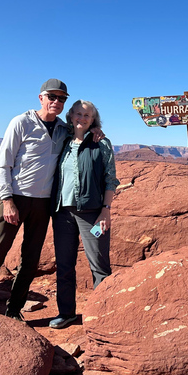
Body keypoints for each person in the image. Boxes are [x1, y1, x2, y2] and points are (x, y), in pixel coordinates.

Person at [0, 79, 72, 320]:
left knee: (30, 261)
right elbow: (3, 164)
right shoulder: (21, 122)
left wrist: (97, 129)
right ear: (41, 98)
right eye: (52, 97)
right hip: (15, 198)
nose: (57, 102)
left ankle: (14, 311)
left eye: (62, 99)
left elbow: (84, 130)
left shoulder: (63, 129)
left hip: (43, 203)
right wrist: (7, 200)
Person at [49, 99, 119, 329]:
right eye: (78, 114)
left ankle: (105, 315)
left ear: (93, 120)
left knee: (99, 265)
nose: (82, 118)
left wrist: (105, 211)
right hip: (62, 214)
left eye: (87, 115)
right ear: (71, 116)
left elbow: (110, 179)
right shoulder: (63, 141)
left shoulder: (101, 143)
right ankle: (66, 313)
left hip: (92, 214)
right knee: (65, 265)